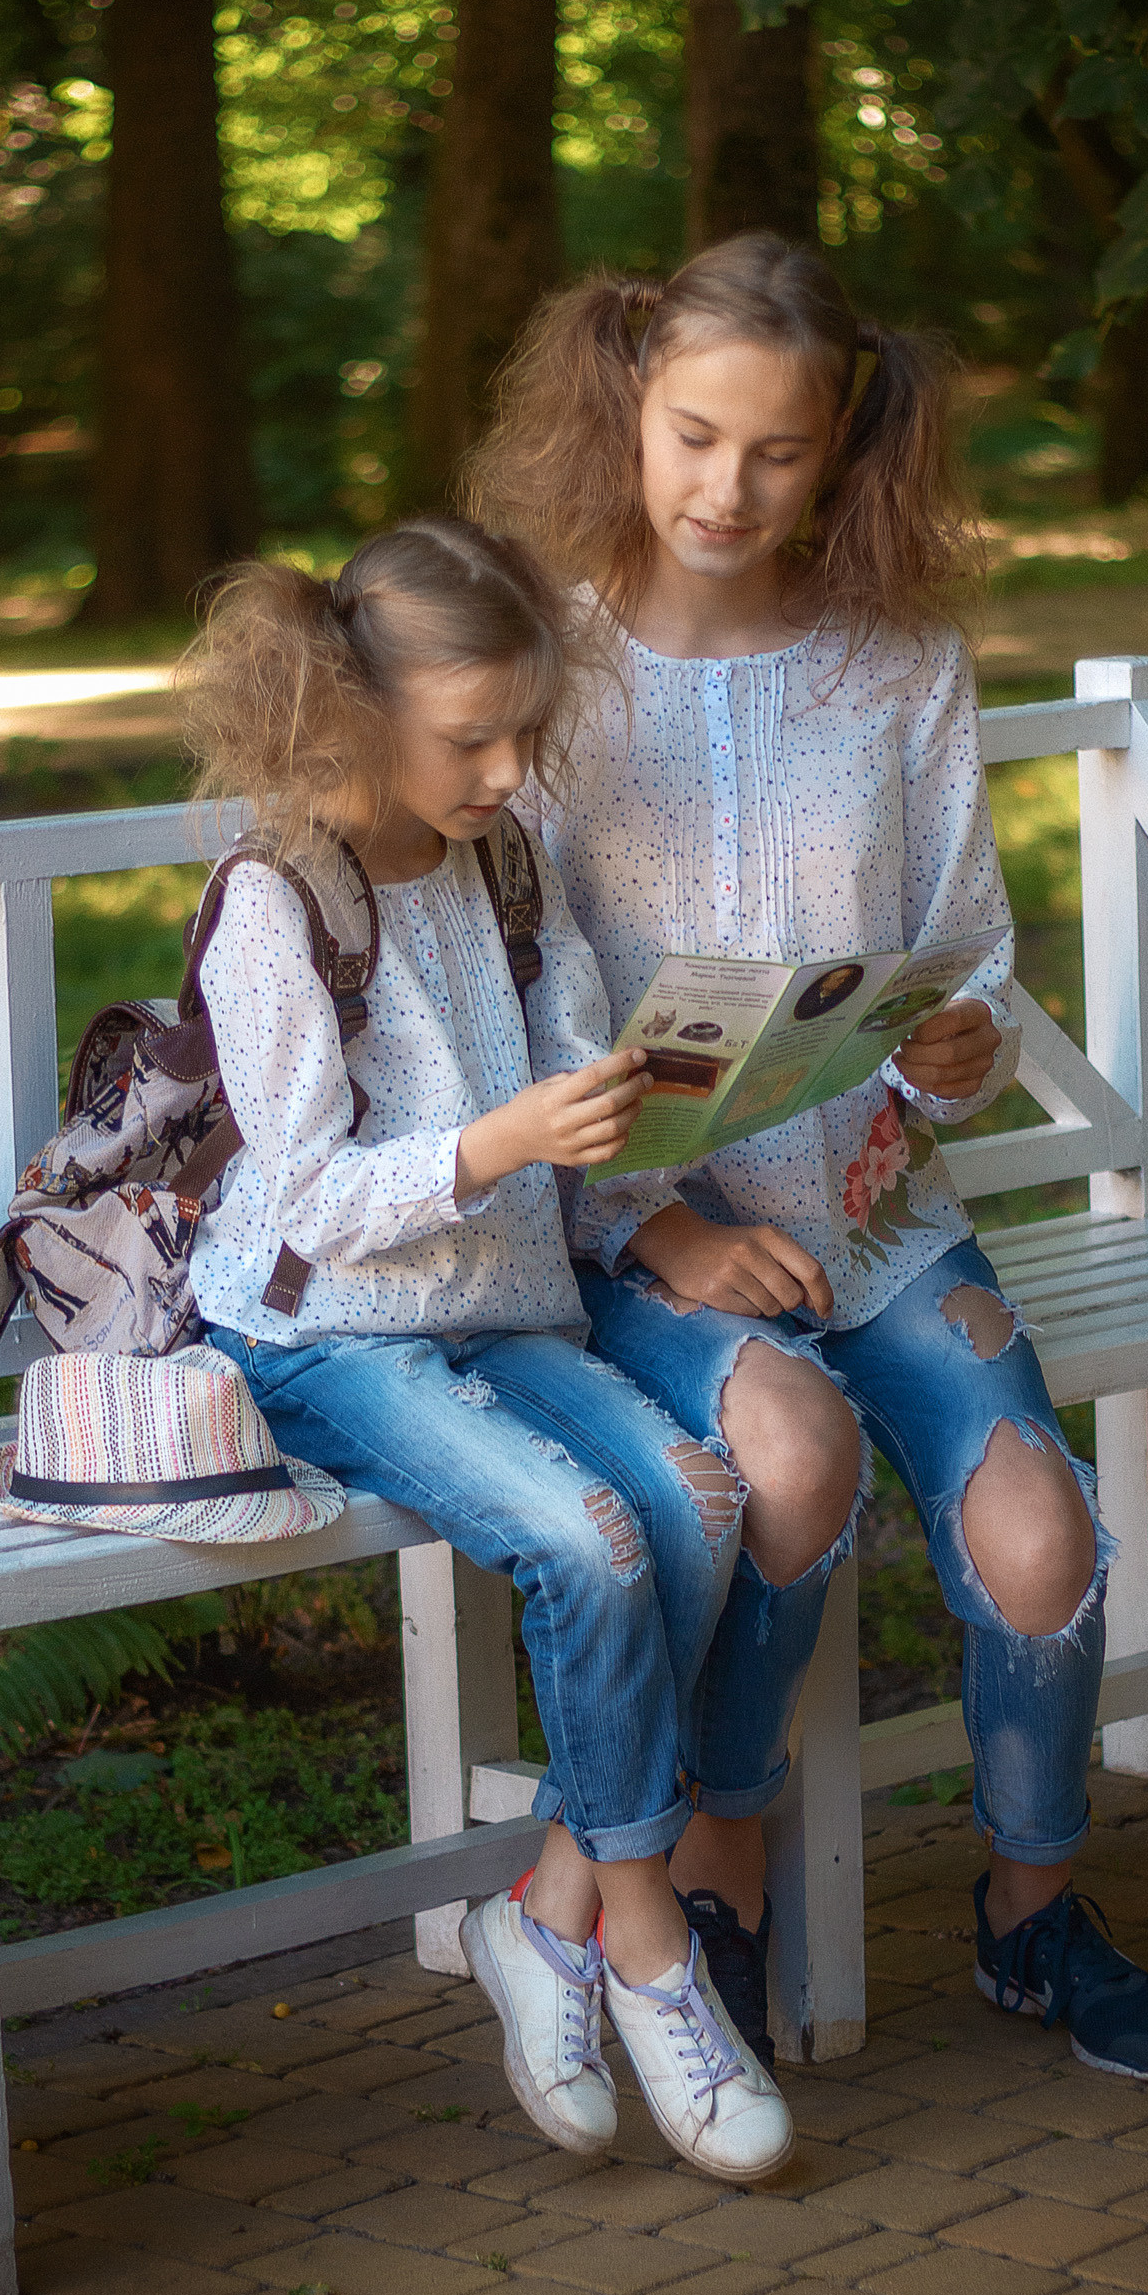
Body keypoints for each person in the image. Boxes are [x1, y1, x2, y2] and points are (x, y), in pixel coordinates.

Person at [465, 236, 1148, 2083]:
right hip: (642, 1255)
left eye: (778, 453)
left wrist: (962, 1049)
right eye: (694, 436)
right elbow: (507, 1004)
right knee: (782, 1464)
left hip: (878, 1223)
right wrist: (663, 1231)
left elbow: (964, 945)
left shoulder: (902, 669)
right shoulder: (539, 670)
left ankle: (1035, 1925)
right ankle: (713, 1882)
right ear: (626, 407)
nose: (727, 489)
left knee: (1038, 1538)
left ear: (844, 449)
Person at [180, 516, 794, 2180]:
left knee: (700, 1498)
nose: (513, 770)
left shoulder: (504, 859)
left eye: (526, 731)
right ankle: (652, 1939)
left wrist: (618, 1092)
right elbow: (300, 1199)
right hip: (329, 1334)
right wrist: (506, 1138)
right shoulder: (274, 902)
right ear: (342, 713)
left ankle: (546, 1910)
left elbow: (572, 1035)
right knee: (590, 1542)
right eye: (474, 739)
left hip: (505, 1301)